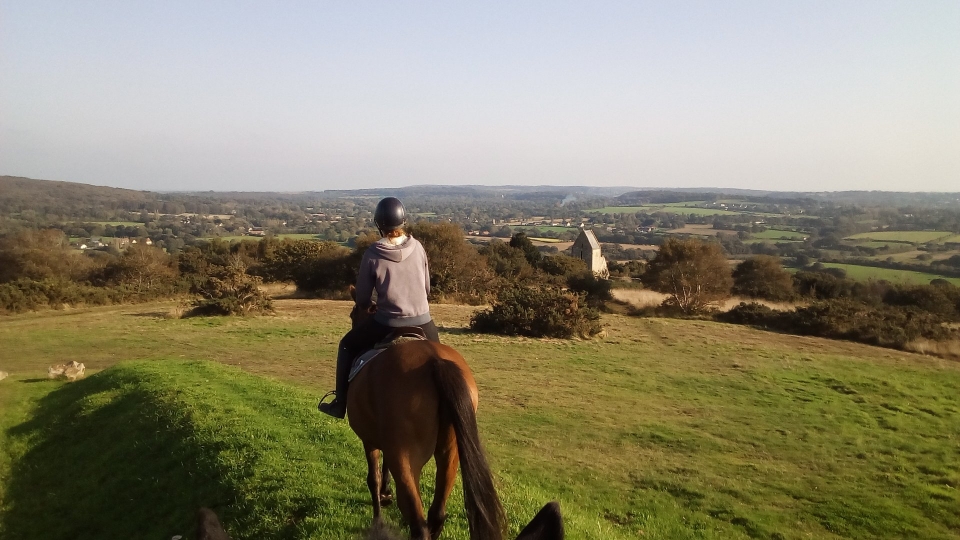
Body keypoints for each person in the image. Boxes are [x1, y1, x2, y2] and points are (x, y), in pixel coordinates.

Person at [318, 197, 440, 418]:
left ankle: (339, 404)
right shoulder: (418, 247)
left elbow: (363, 299)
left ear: (379, 224)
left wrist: (369, 305)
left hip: (388, 323)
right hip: (423, 320)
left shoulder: (373, 253)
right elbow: (427, 288)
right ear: (403, 220)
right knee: (441, 360)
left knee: (346, 345)